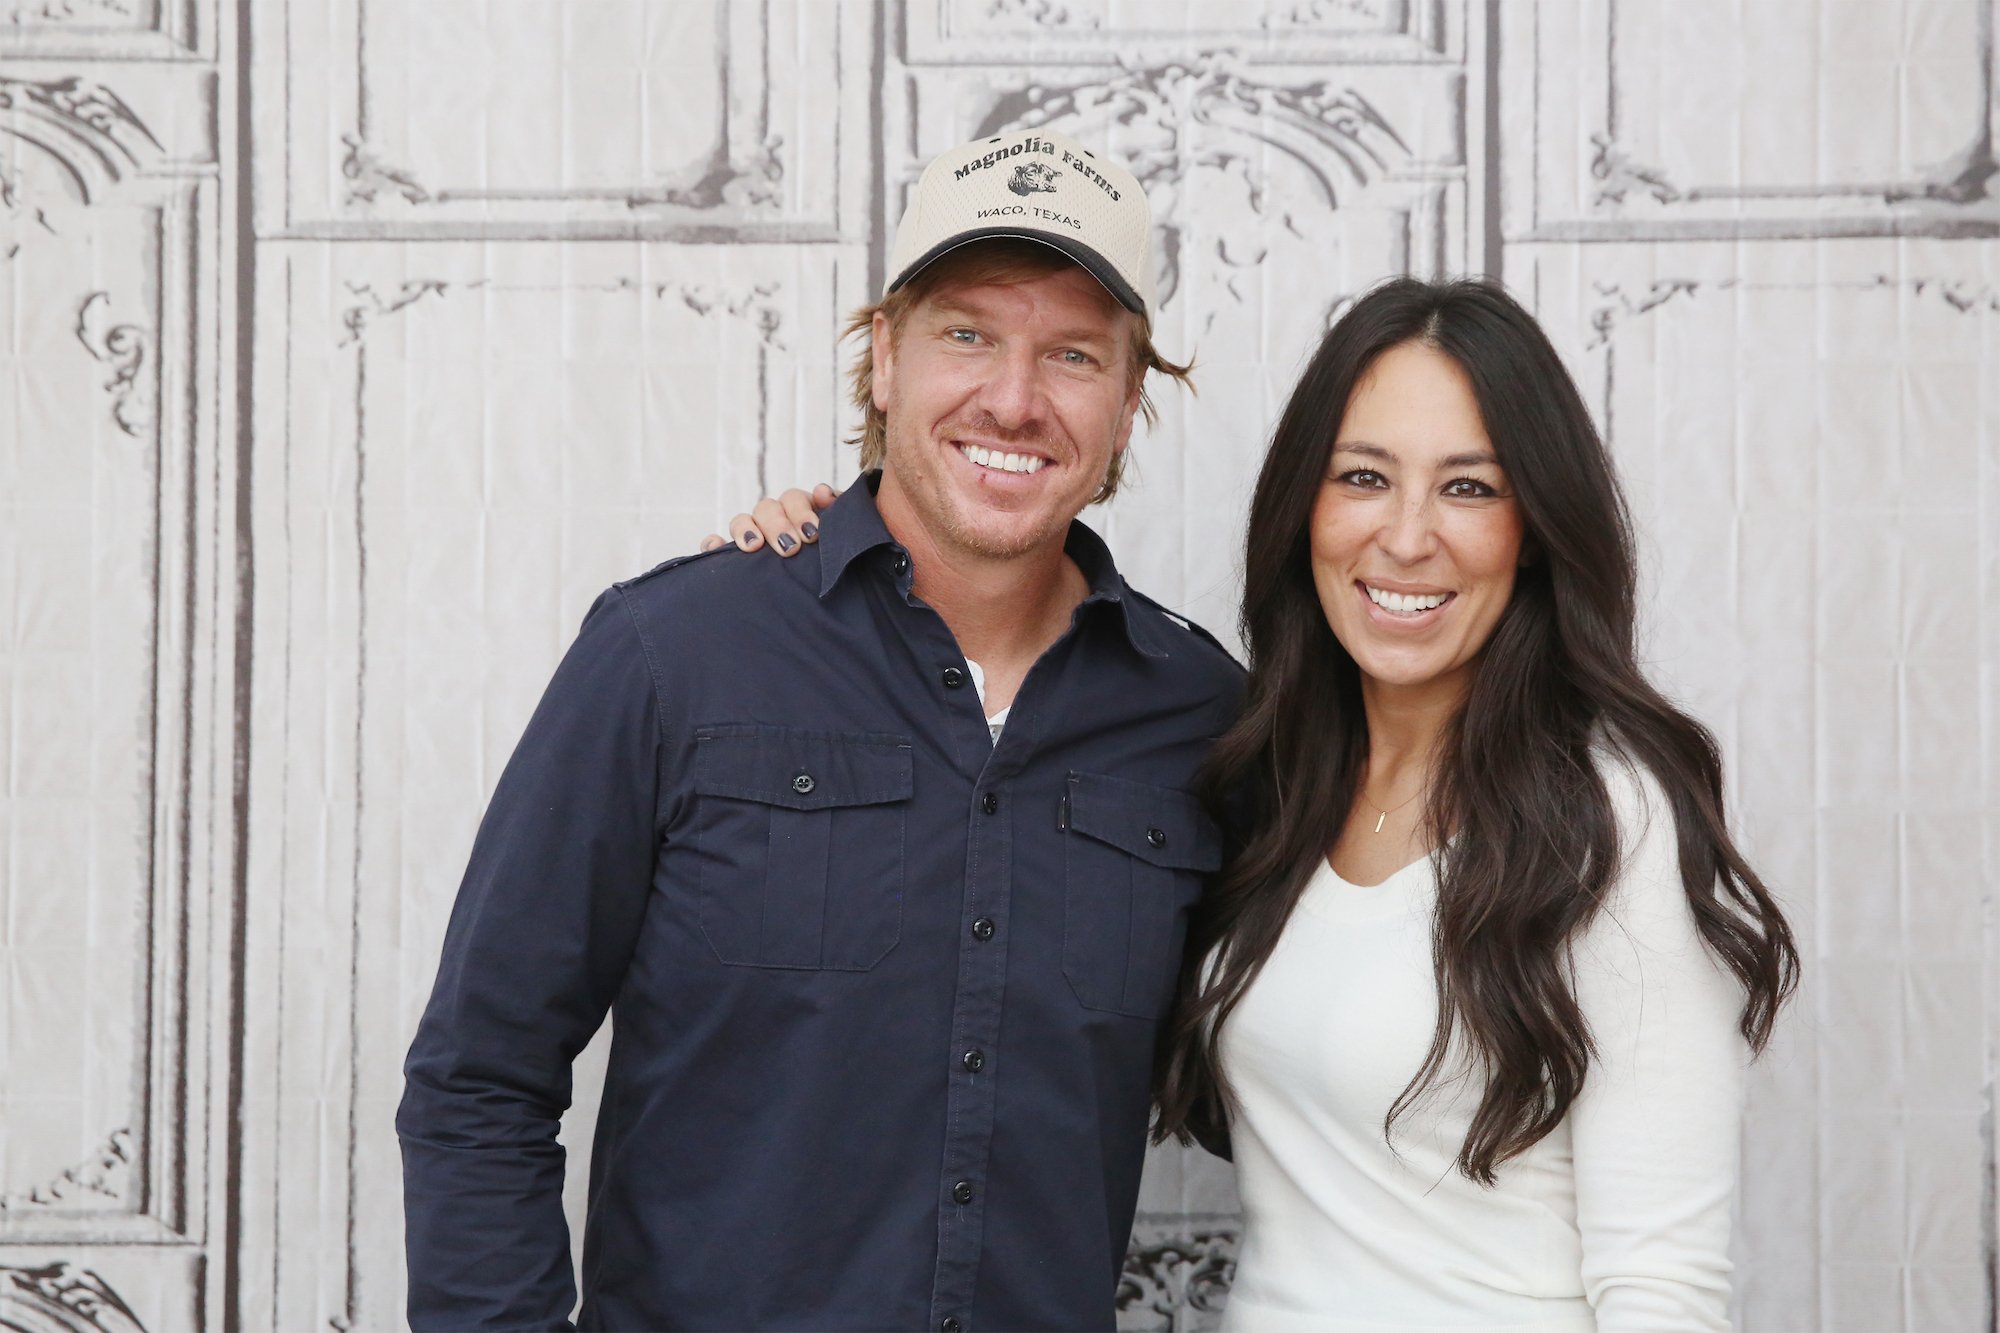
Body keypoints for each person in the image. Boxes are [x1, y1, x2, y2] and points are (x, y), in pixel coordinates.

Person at [725, 278, 1799, 1330]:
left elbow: (1663, 1283)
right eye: (1363, 477)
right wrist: (839, 555)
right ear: (1303, 508)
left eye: (1468, 488)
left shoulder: (1607, 817)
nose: (1408, 536)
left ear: (1535, 530)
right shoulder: (1268, 779)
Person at [395, 126, 1244, 1333]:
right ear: (883, 358)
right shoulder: (676, 653)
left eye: (1071, 354)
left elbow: (1283, 1071)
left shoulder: (1202, 720)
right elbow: (480, 1077)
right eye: (966, 333)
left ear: (1125, 404)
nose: (1013, 396)